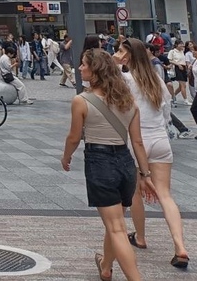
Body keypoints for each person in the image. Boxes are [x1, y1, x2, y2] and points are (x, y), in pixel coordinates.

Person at [61, 49, 157, 281]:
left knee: (116, 228)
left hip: (100, 162)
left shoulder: (81, 101)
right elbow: (137, 141)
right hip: (126, 163)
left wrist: (66, 157)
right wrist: (145, 175)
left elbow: (74, 137)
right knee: (116, 223)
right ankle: (105, 267)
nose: (80, 68)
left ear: (95, 71)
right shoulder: (128, 101)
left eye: (84, 64)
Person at [114, 39, 189, 269]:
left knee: (136, 193)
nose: (118, 54)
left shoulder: (125, 79)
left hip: (137, 141)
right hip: (160, 139)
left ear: (128, 56)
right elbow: (166, 112)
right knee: (165, 194)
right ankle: (180, 246)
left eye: (121, 51)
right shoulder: (156, 79)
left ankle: (140, 237)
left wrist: (115, 63)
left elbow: (102, 85)